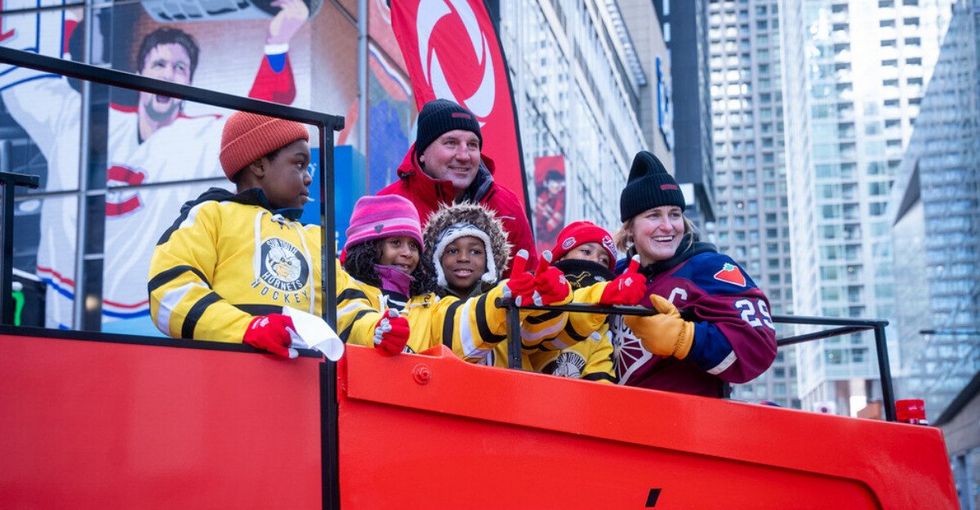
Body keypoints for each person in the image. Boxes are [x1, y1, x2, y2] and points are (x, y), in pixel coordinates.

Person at [0, 2, 308, 330]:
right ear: (140, 75)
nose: (167, 73)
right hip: (65, 310)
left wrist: (278, 41)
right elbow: (26, 81)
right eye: (158, 63)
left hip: (151, 317)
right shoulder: (77, 118)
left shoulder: (203, 135)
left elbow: (263, 120)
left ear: (188, 85)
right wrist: (68, 14)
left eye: (179, 68)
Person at [147, 112, 334, 356]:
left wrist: (374, 329)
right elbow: (168, 291)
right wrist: (246, 329)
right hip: (227, 379)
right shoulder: (211, 215)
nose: (308, 177)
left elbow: (346, 304)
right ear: (258, 165)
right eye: (299, 164)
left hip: (310, 384)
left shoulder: (315, 237)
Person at [610, 151, 777, 397]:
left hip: (688, 427)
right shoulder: (614, 277)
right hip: (612, 423)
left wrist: (686, 338)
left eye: (675, 214)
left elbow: (759, 345)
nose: (668, 226)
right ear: (629, 229)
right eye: (653, 215)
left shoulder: (710, 268)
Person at [336, 200, 569, 366]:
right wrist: (375, 332)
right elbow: (350, 318)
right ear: (369, 246)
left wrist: (508, 297)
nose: (407, 253)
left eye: (414, 245)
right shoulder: (348, 285)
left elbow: (459, 324)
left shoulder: (429, 304)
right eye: (396, 243)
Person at [377, 98, 537, 275]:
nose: (464, 155)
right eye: (451, 143)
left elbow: (529, 281)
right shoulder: (387, 205)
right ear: (422, 153)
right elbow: (354, 276)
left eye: (472, 145)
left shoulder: (506, 205)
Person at [529, 221, 645, 383]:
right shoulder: (537, 295)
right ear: (562, 257)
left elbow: (601, 375)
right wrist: (603, 293)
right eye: (585, 251)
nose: (594, 261)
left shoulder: (601, 326)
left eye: (604, 260)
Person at [534, 168, 565, 249]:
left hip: (546, 245)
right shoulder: (542, 195)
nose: (558, 187)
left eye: (559, 184)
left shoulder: (560, 203)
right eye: (554, 184)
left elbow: (549, 229)